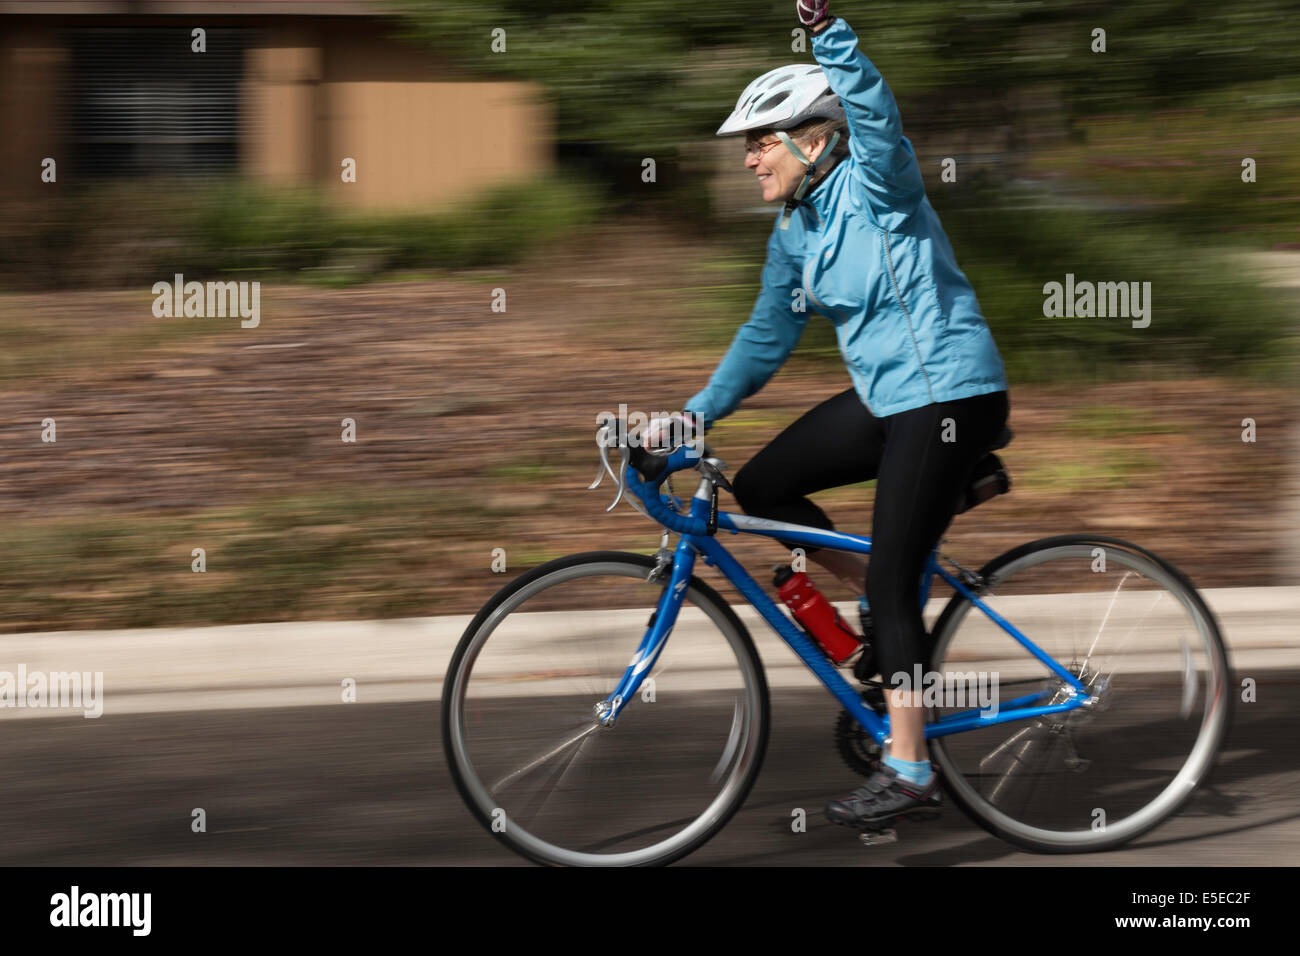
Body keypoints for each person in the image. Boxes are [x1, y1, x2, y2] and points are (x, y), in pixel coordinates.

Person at [644, 0, 1010, 829]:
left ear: (814, 139)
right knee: (766, 482)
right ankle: (886, 612)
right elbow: (765, 335)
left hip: (950, 394)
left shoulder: (879, 186)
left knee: (889, 582)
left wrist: (826, 29)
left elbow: (876, 115)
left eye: (760, 141)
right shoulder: (796, 229)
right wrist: (690, 421)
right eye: (746, 145)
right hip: (889, 398)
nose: (747, 160)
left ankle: (911, 766)